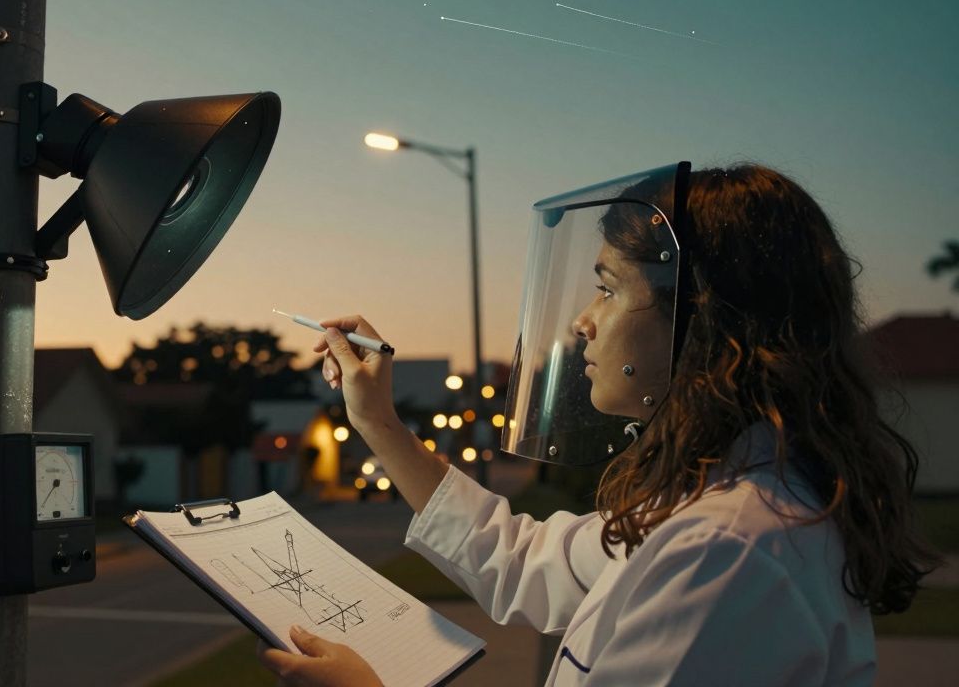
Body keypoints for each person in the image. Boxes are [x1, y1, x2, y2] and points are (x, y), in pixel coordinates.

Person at [256, 163, 938, 686]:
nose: (583, 321)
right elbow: (517, 560)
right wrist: (379, 423)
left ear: (698, 323)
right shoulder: (712, 511)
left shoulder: (728, 553)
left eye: (608, 288)